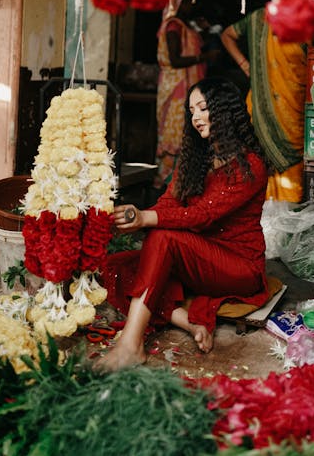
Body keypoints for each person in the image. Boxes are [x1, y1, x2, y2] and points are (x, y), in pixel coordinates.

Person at [100, 77, 270, 371]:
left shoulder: (250, 164)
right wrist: (134, 217)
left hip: (239, 267)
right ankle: (188, 322)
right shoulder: (196, 160)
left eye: (203, 108)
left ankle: (130, 344)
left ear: (225, 111)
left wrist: (146, 218)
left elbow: (203, 214)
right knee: (116, 267)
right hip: (198, 258)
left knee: (163, 237)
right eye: (192, 111)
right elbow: (168, 203)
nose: (196, 118)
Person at [221, 8, 314, 203]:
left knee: (292, 179)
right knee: (256, 171)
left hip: (292, 112)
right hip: (260, 110)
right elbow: (227, 35)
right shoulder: (260, 18)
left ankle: (286, 226)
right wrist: (245, 65)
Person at [155, 0, 207, 187]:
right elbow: (175, 59)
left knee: (185, 131)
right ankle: (167, 181)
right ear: (178, 5)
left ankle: (181, 180)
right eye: (187, 3)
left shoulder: (185, 27)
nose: (191, 7)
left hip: (185, 86)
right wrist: (203, 58)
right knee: (174, 134)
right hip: (176, 85)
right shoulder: (173, 27)